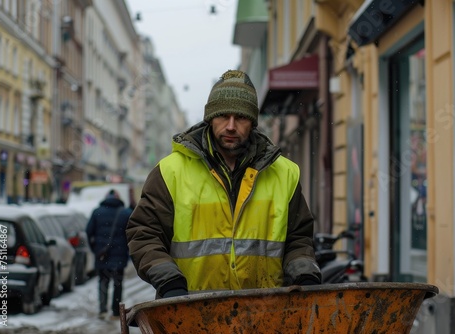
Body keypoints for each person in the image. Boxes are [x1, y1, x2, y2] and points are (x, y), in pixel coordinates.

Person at [126, 70, 321, 299]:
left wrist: (304, 272)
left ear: (253, 122)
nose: (230, 126)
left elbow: (298, 238)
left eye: (240, 117)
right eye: (223, 116)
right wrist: (169, 280)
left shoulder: (284, 173)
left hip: (265, 313)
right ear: (210, 118)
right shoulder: (171, 172)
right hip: (189, 313)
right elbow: (145, 233)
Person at [86, 189, 131, 319]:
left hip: (102, 255)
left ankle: (102, 309)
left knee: (103, 281)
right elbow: (132, 234)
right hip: (120, 254)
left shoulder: (97, 212)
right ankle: (116, 310)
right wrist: (127, 251)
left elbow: (89, 232)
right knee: (118, 283)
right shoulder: (125, 213)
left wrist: (95, 249)